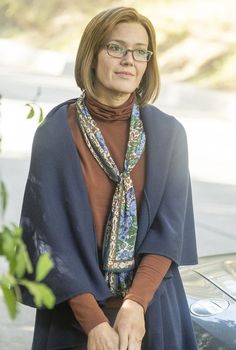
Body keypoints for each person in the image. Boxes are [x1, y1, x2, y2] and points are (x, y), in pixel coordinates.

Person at [19, 6, 198, 350]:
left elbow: (168, 231)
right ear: (92, 55)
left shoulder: (169, 135)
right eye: (116, 48)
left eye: (140, 51)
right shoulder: (56, 134)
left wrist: (135, 304)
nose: (129, 60)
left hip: (151, 315)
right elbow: (50, 241)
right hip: (76, 321)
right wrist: (94, 322)